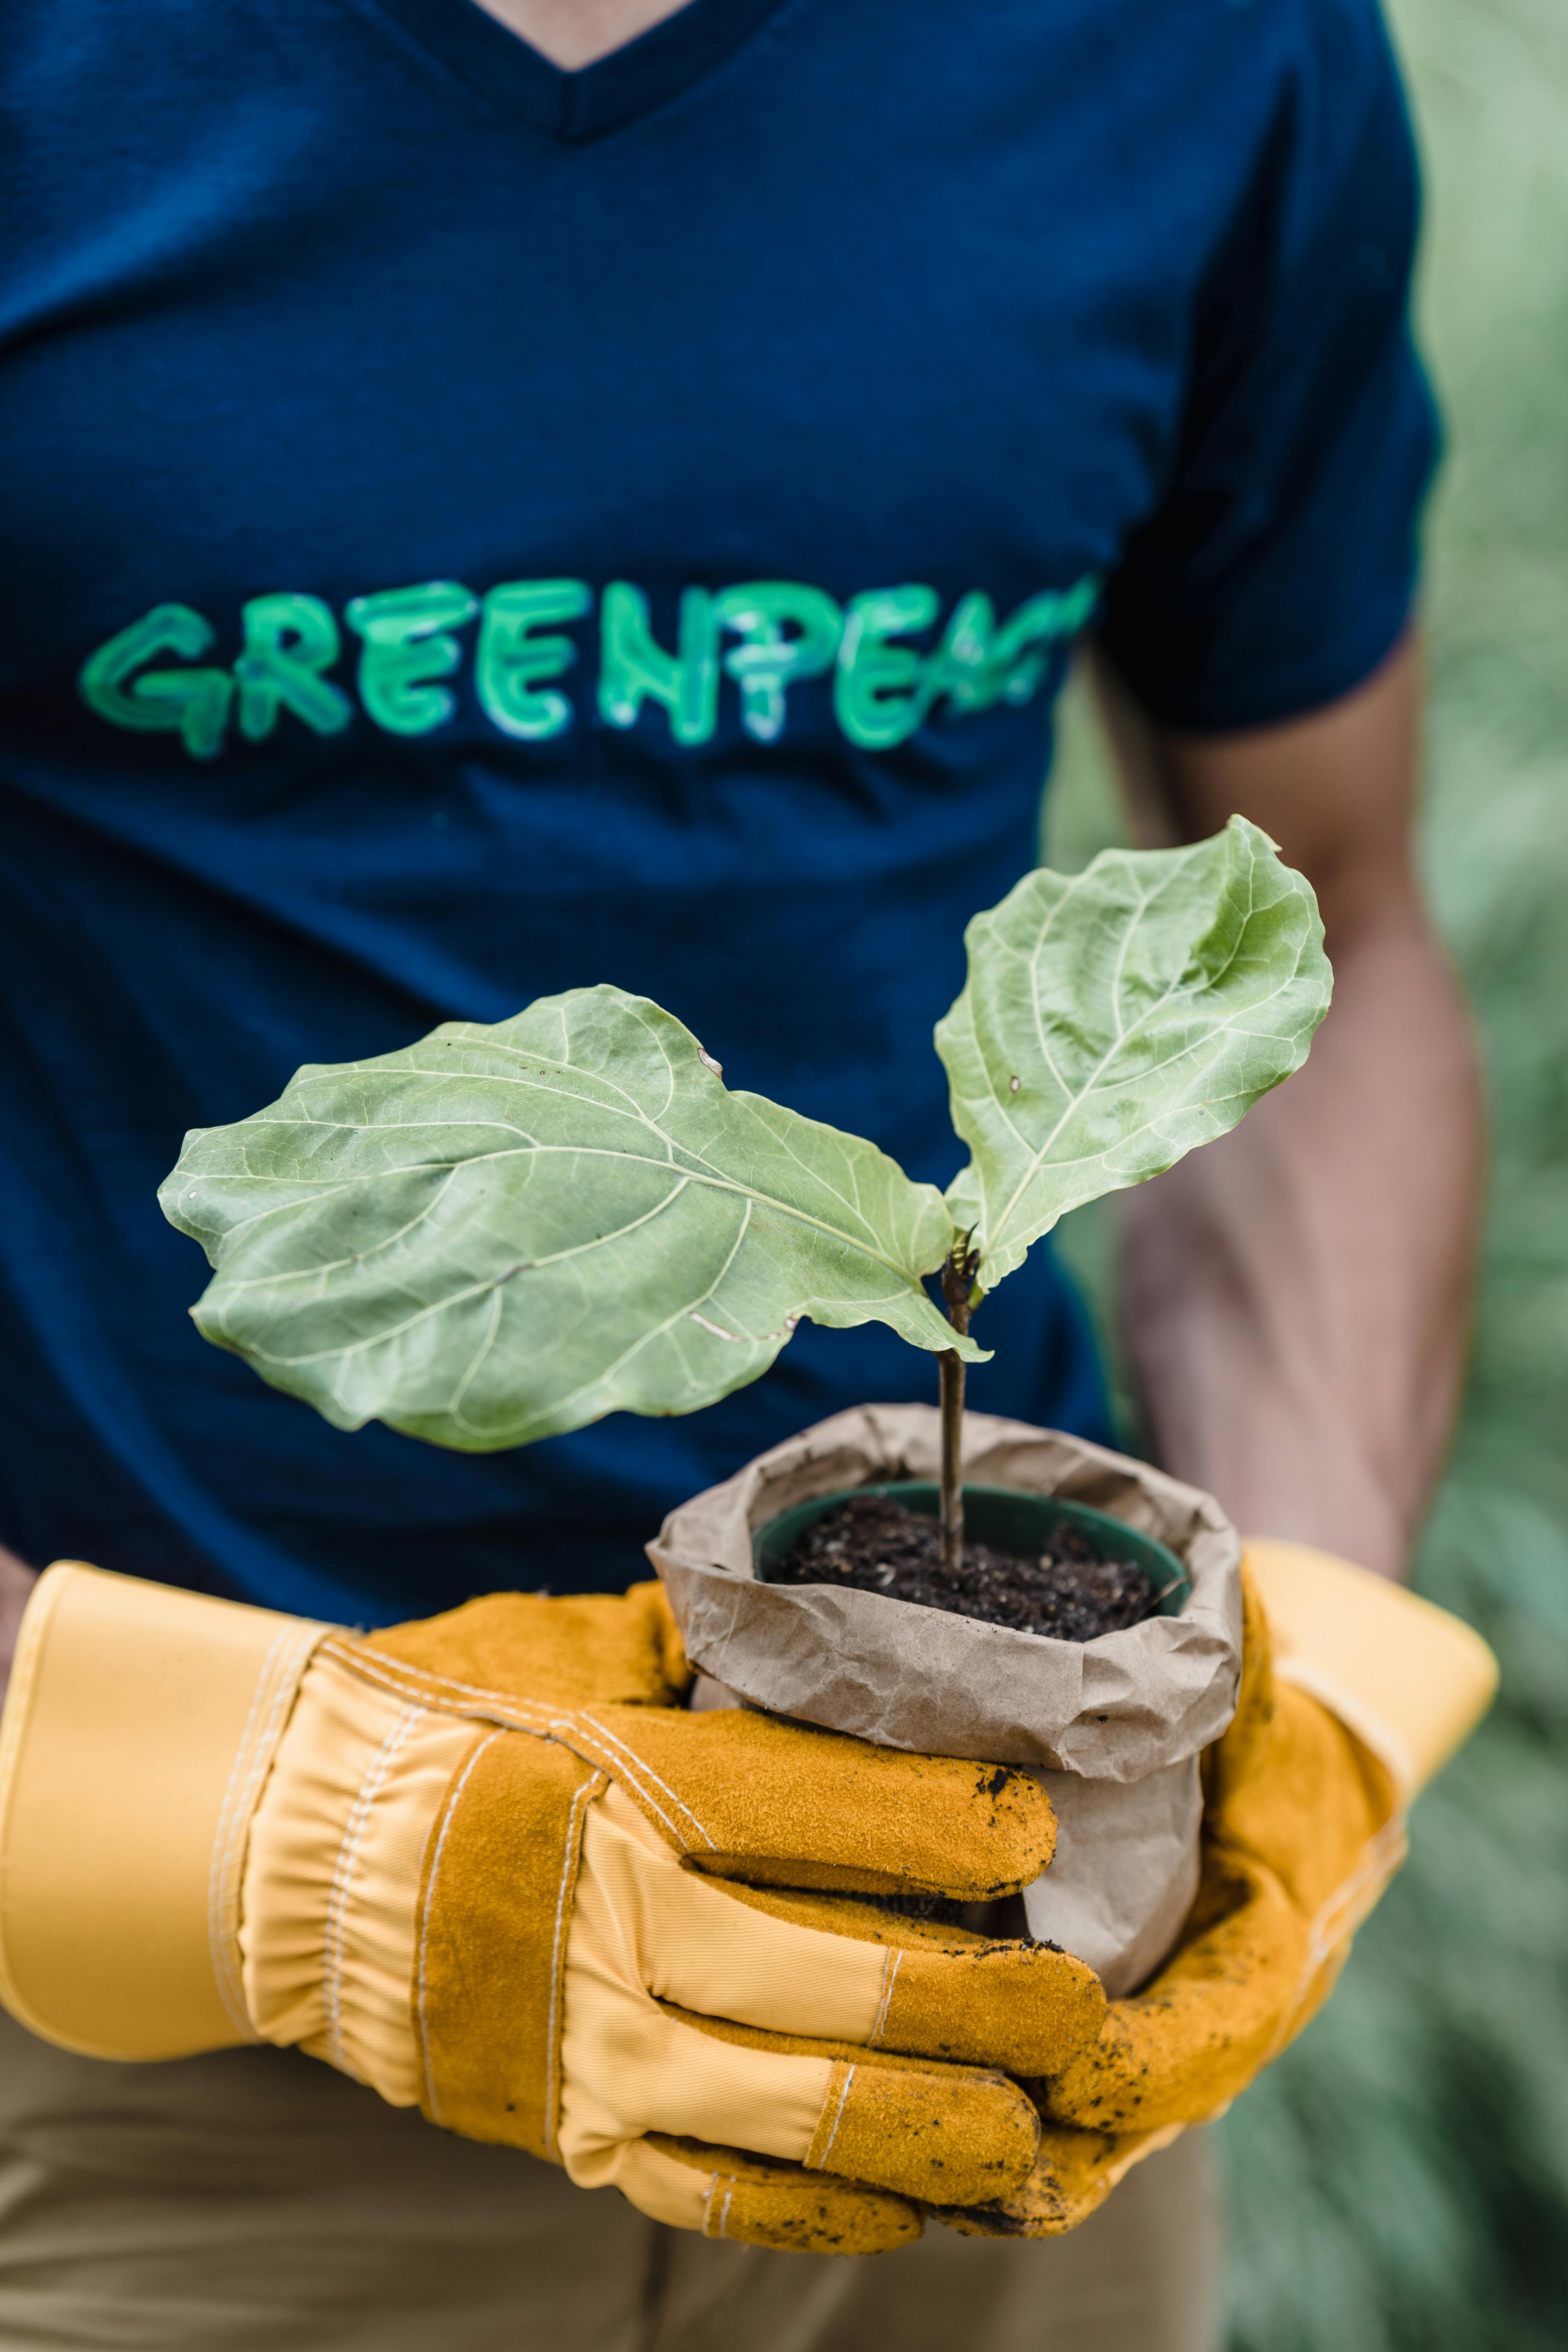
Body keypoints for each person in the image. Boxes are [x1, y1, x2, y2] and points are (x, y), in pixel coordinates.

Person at [0, 0, 1483, 2344]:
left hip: (1016, 1996)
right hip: (157, 2053)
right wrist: (295, 1841)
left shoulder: (1207, 47)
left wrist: (1312, 1677)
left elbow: (1325, 917)